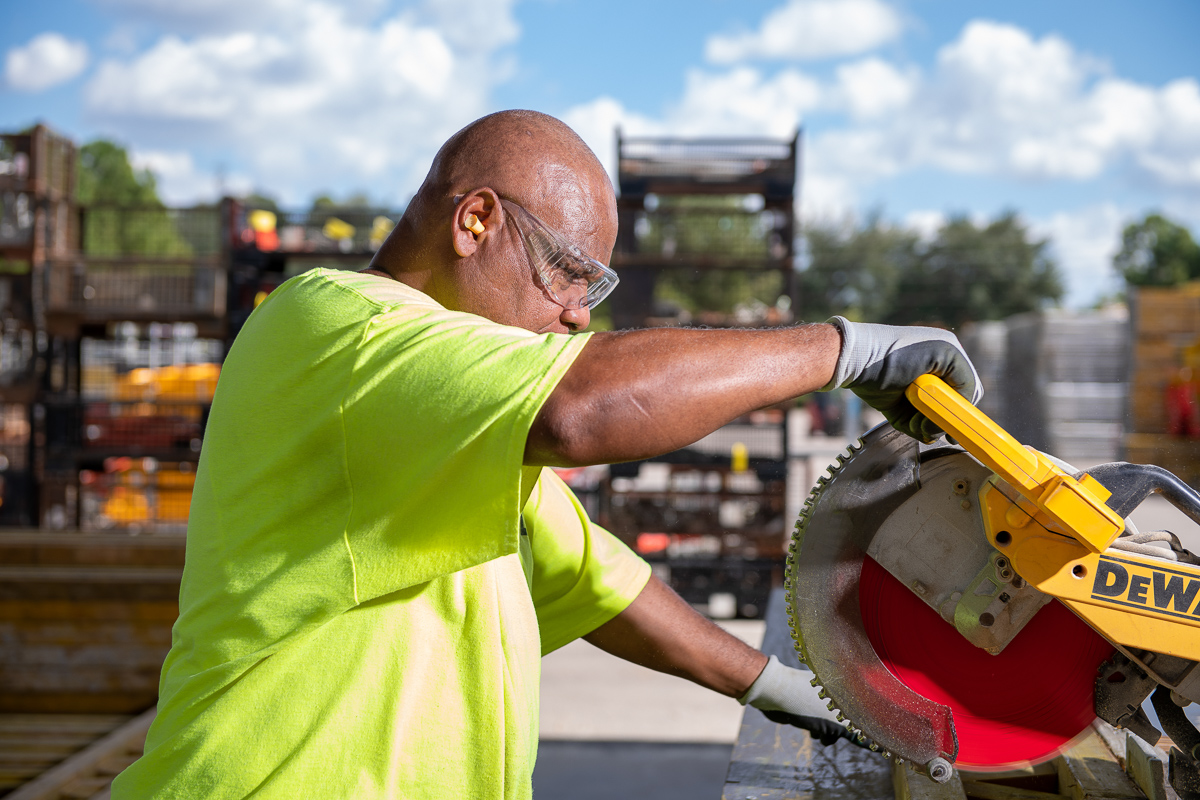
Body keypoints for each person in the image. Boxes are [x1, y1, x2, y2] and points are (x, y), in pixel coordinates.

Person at [112, 110, 980, 799]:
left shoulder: (445, 422)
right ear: (476, 220)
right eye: (568, 272)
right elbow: (581, 406)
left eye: (593, 288)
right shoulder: (333, 325)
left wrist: (785, 691)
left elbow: (589, 579)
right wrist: (844, 350)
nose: (577, 314)